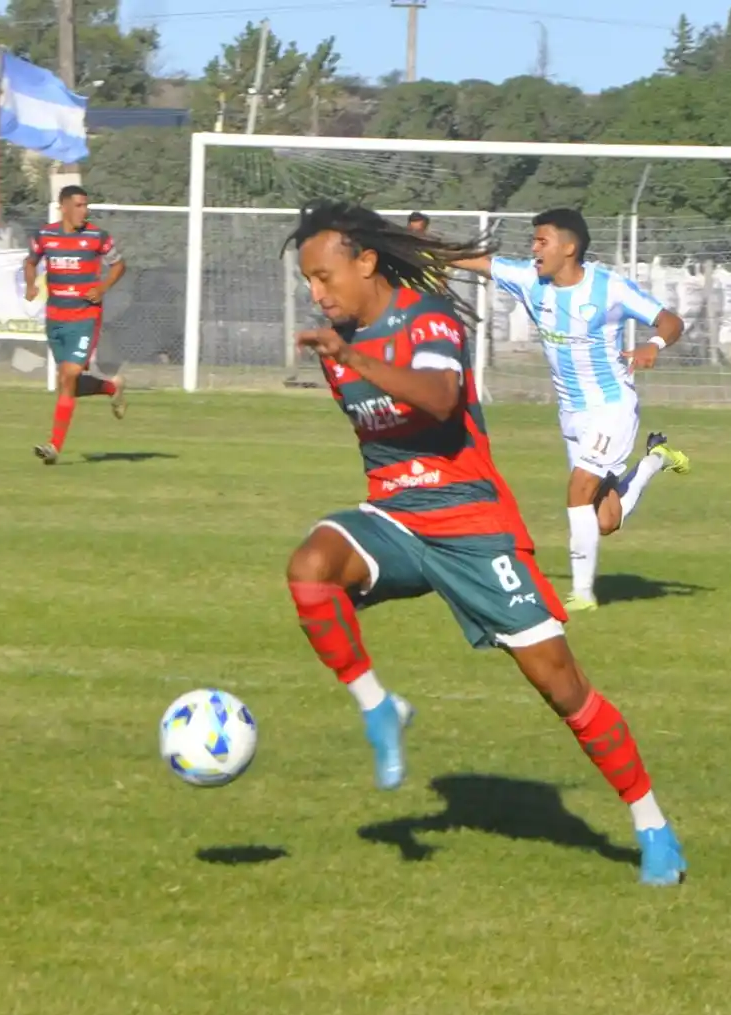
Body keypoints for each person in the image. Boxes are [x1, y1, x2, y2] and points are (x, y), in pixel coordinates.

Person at [284, 200, 686, 886]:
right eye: (309, 284)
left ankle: (653, 825)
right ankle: (380, 705)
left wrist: (353, 355)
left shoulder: (427, 319)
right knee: (309, 569)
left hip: (472, 522)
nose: (318, 295)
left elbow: (440, 400)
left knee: (562, 687)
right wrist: (345, 353)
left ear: (366, 261)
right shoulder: (335, 344)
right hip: (396, 517)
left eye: (325, 277)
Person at [454, 208, 690, 613]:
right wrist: (418, 253)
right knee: (604, 521)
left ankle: (582, 595)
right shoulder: (531, 280)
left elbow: (670, 321)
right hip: (572, 416)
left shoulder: (609, 288)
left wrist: (654, 345)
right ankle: (656, 459)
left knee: (579, 488)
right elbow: (481, 264)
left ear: (569, 247)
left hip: (611, 406)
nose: (533, 249)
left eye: (541, 241)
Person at [24, 184, 128, 465]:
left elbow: (119, 265)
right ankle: (111, 388)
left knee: (69, 375)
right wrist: (30, 282)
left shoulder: (97, 237)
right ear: (64, 207)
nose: (85, 210)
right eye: (80, 205)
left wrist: (103, 287)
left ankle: (54, 447)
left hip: (85, 316)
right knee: (66, 383)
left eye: (86, 205)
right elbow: (30, 261)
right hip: (56, 316)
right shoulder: (45, 236)